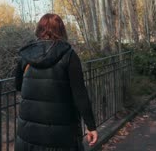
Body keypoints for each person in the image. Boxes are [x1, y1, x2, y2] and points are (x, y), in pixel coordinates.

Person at [15, 13, 98, 151]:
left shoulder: (27, 55)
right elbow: (80, 95)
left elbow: (18, 86)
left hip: (29, 136)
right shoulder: (69, 55)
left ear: (39, 29)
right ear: (61, 30)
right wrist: (91, 126)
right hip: (61, 137)